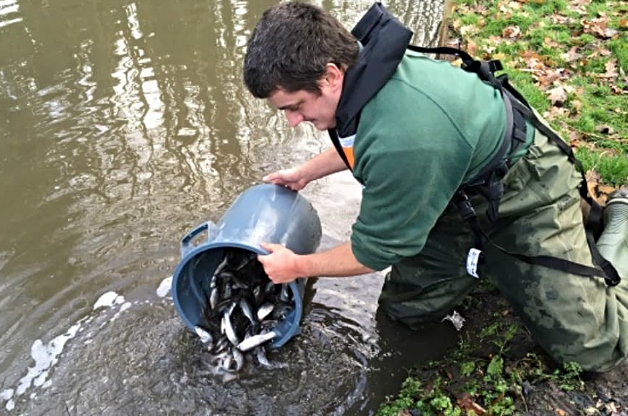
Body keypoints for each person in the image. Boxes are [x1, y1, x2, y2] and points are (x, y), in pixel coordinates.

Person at [243, 1, 628, 373]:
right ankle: (488, 261)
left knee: (592, 350)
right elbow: (367, 141)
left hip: (523, 190)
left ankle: (620, 220)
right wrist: (308, 171)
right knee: (405, 314)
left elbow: (374, 251)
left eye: (294, 107)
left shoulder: (407, 134)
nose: (293, 120)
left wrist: (298, 266)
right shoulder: (361, 71)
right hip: (452, 190)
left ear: (329, 76)